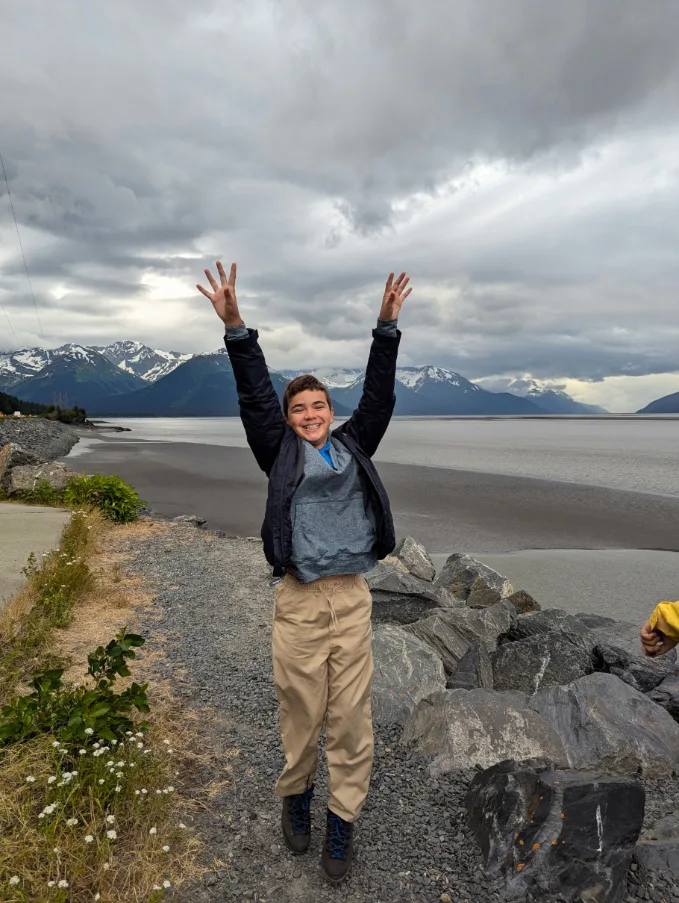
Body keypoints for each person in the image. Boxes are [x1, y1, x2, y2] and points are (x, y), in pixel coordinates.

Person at [197, 261, 411, 884]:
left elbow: (380, 396)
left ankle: (342, 819)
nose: (310, 414)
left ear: (330, 411)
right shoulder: (280, 452)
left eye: (318, 405)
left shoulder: (355, 445)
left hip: (351, 599)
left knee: (350, 717)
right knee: (300, 710)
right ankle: (297, 794)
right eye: (299, 408)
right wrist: (236, 326)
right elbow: (254, 396)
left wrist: (387, 327)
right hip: (298, 600)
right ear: (288, 420)